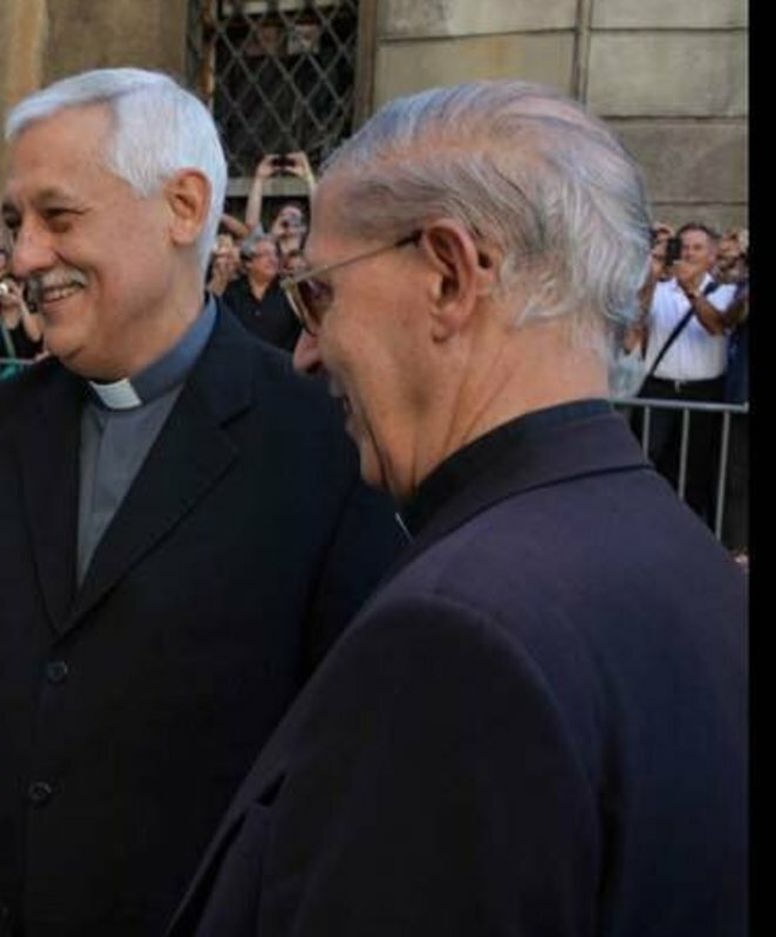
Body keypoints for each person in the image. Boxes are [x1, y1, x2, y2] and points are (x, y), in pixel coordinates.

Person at [167, 80, 747, 937]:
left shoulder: (457, 637)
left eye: (319, 295)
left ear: (448, 276)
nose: (305, 353)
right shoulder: (688, 558)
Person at [0, 68, 402, 936]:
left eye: (58, 218)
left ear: (183, 207)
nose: (25, 256)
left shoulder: (320, 446)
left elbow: (355, 758)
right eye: (15, 224)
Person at [636, 222, 739, 526]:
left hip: (704, 393)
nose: (689, 254)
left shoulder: (727, 292)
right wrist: (651, 275)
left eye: (698, 248)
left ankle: (688, 533)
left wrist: (690, 290)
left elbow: (715, 326)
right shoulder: (658, 289)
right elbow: (635, 323)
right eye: (684, 248)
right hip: (659, 391)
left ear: (712, 256)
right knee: (646, 462)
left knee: (696, 470)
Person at [220, 233, 298, 352]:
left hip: (281, 365)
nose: (273, 259)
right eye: (266, 254)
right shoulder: (232, 292)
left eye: (275, 254)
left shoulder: (289, 289)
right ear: (248, 262)